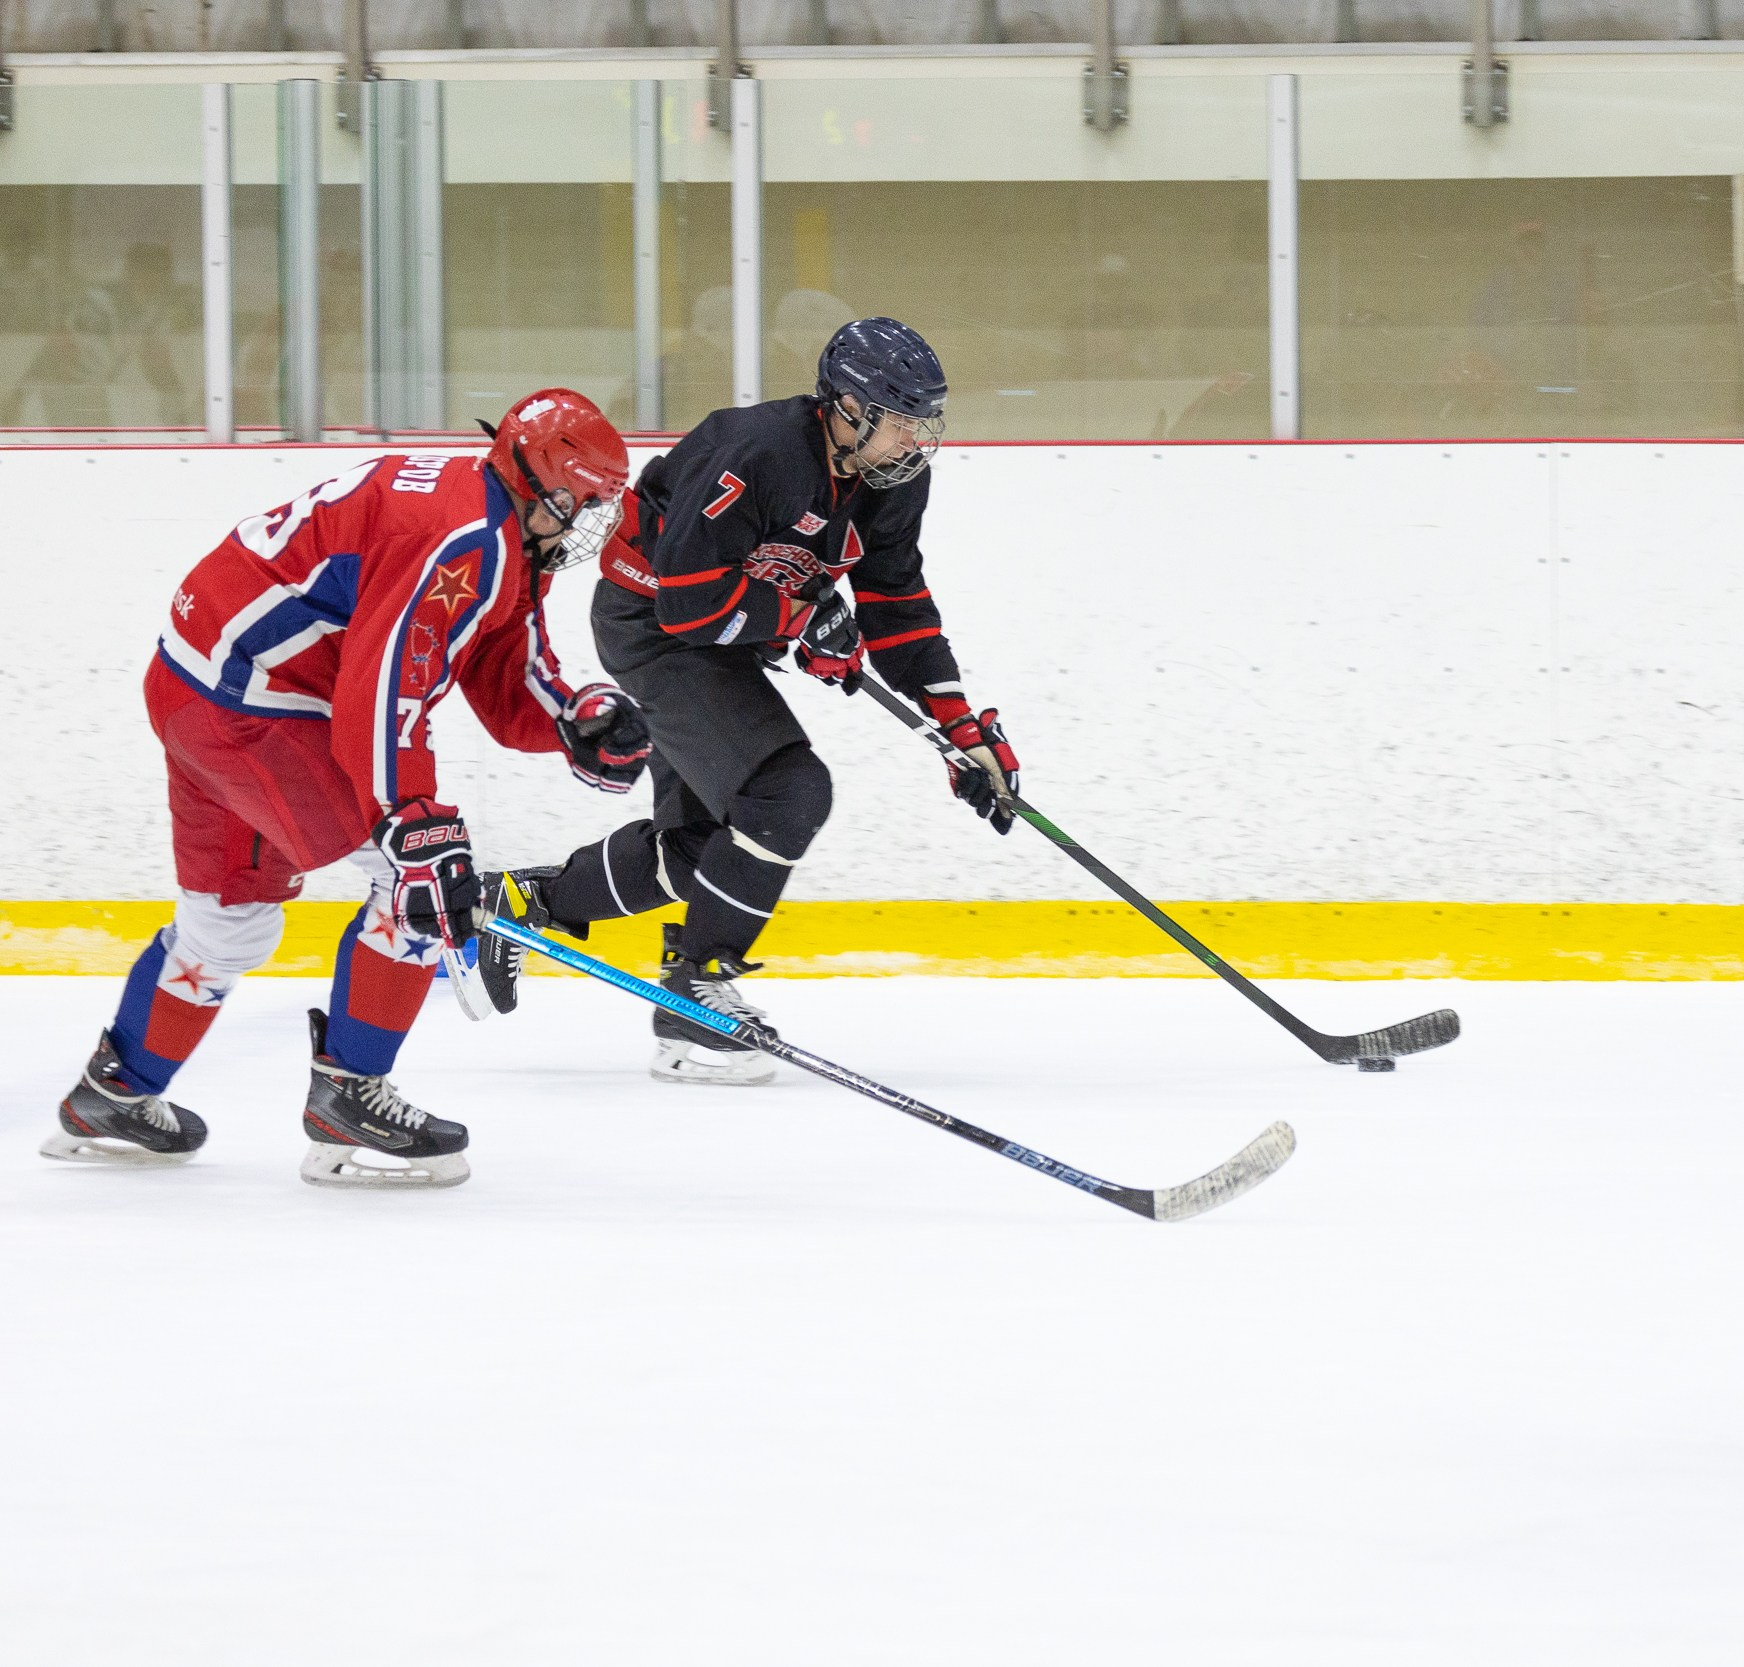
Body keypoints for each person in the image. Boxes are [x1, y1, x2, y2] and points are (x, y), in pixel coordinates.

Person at [45, 391, 653, 1188]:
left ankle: (115, 1092)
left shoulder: (494, 523)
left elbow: (503, 655)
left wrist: (573, 715)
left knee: (227, 923)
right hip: (251, 706)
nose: (585, 523)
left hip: (202, 687)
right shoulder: (468, 538)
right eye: (584, 502)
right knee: (416, 881)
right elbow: (385, 685)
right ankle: (349, 1097)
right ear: (546, 483)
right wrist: (410, 816)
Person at [474, 318, 1019, 1085]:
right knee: (786, 793)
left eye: (921, 421)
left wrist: (958, 726)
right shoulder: (756, 451)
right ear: (848, 407)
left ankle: (522, 902)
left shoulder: (892, 478)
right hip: (654, 628)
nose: (914, 439)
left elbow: (895, 598)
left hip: (725, 638)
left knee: (702, 848)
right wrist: (801, 621)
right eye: (900, 419)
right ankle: (695, 992)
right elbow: (686, 603)